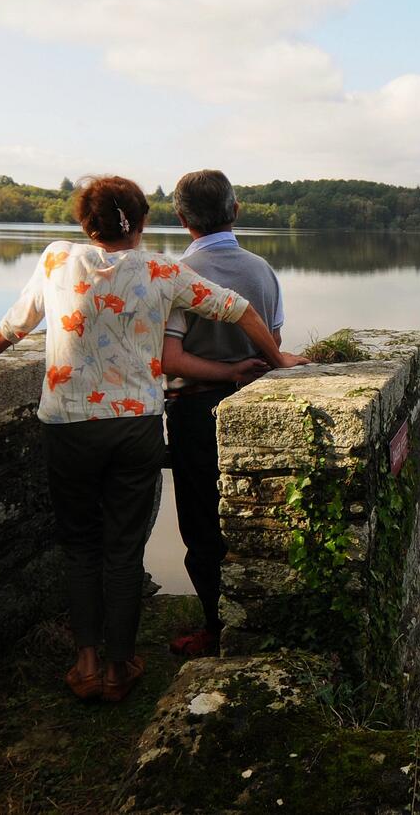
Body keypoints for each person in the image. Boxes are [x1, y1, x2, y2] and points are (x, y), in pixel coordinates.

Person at [0, 175, 303, 703]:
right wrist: (278, 359)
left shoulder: (58, 259)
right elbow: (241, 309)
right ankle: (119, 666)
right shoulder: (161, 270)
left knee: (81, 546)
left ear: (85, 225)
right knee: (124, 549)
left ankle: (85, 663)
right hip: (134, 428)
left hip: (68, 424)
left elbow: (18, 323)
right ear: (145, 222)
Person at [157, 169, 288, 658]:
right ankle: (259, 622)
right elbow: (273, 345)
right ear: (235, 210)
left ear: (181, 219)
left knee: (201, 526)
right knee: (260, 521)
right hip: (256, 407)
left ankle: (215, 629)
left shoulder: (175, 278)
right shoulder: (262, 271)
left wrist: (221, 373)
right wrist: (240, 371)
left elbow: (170, 360)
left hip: (194, 411)